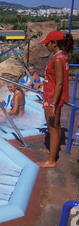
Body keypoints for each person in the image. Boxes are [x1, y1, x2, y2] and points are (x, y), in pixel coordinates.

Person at [37, 30, 74, 168]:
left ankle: (51, 161)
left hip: (52, 97)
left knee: (52, 128)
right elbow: (55, 78)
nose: (46, 46)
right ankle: (52, 152)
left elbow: (59, 83)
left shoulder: (58, 59)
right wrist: (44, 82)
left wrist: (53, 104)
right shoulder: (63, 57)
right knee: (55, 127)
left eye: (48, 43)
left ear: (54, 43)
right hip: (52, 95)